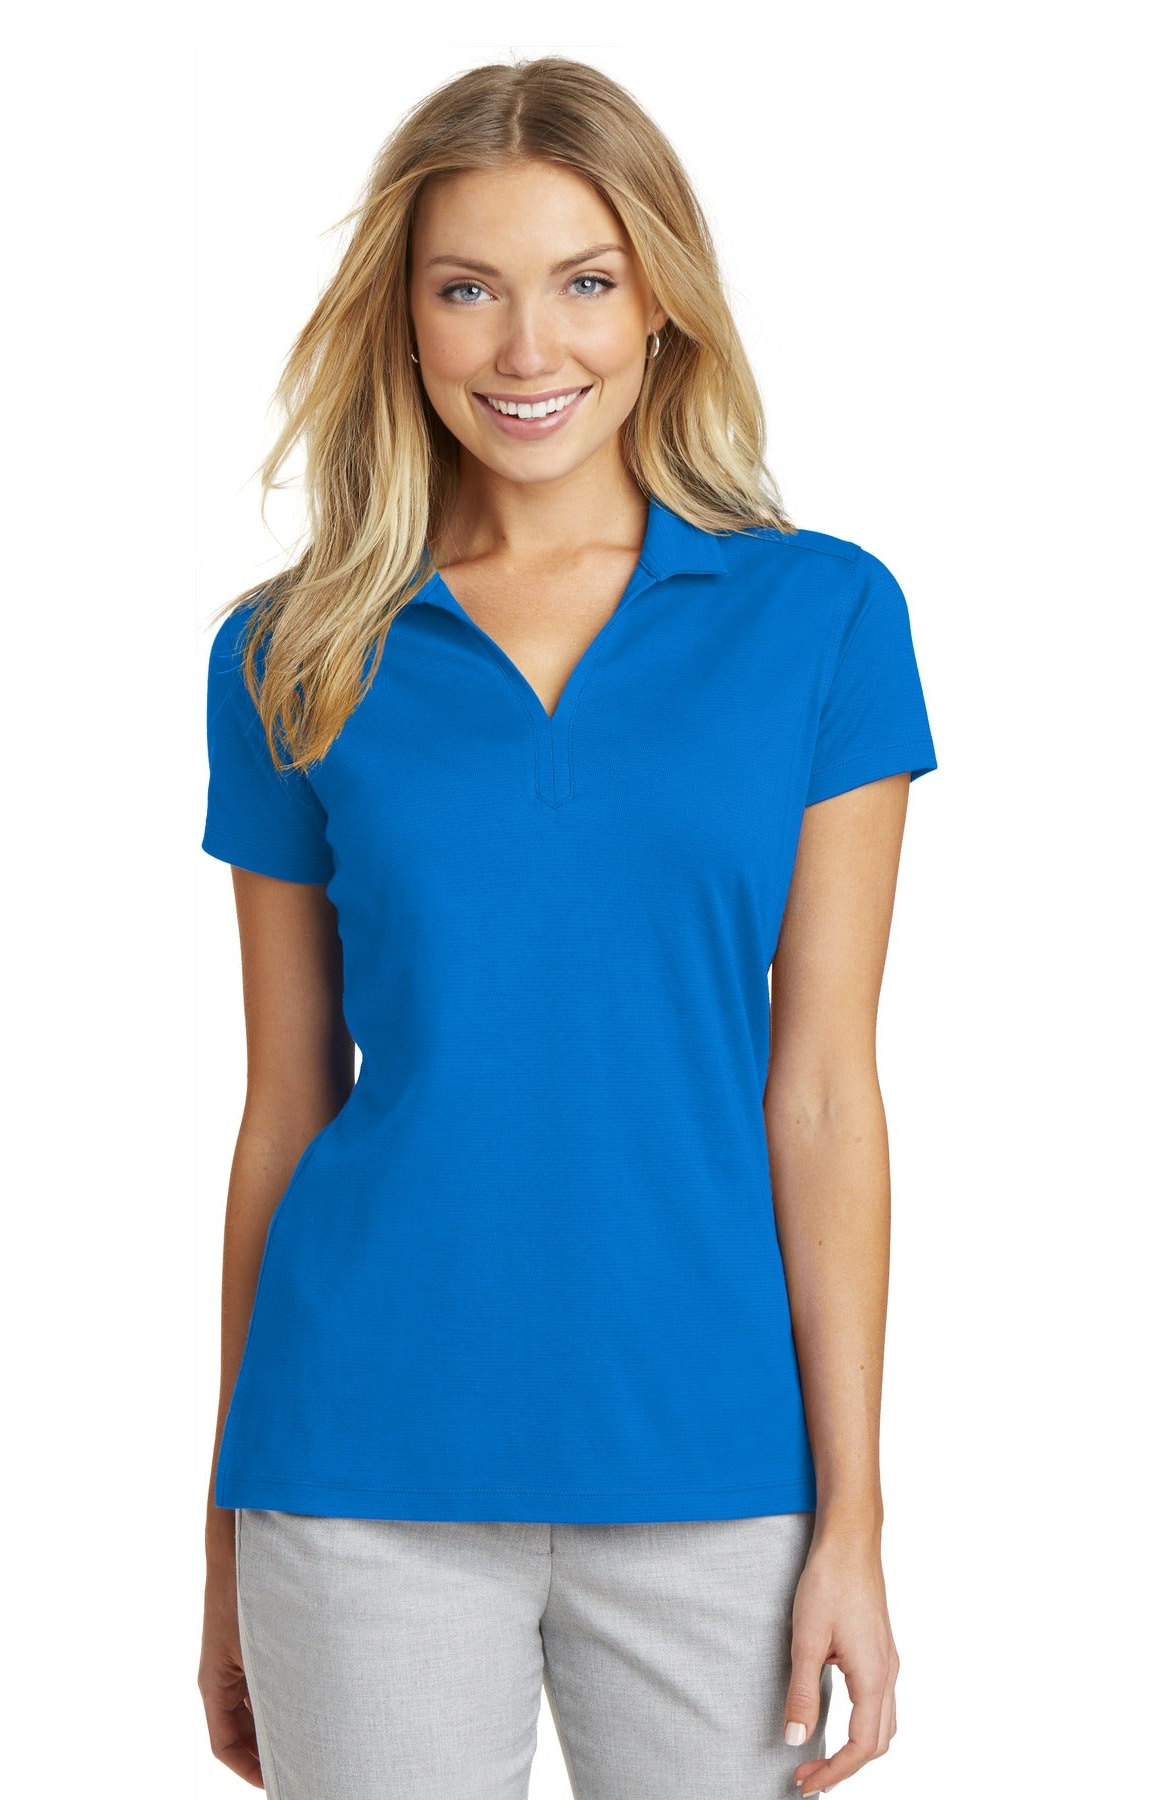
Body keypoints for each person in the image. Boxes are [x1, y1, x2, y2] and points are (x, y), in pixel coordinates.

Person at [196, 55, 937, 1800]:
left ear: (661, 302)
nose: (529, 348)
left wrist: (855, 1519)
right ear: (404, 323)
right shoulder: (292, 651)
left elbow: (825, 1094)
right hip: (357, 1466)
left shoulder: (821, 618)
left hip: (716, 1472)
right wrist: (223, 1536)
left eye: (584, 282)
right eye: (469, 290)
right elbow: (285, 1111)